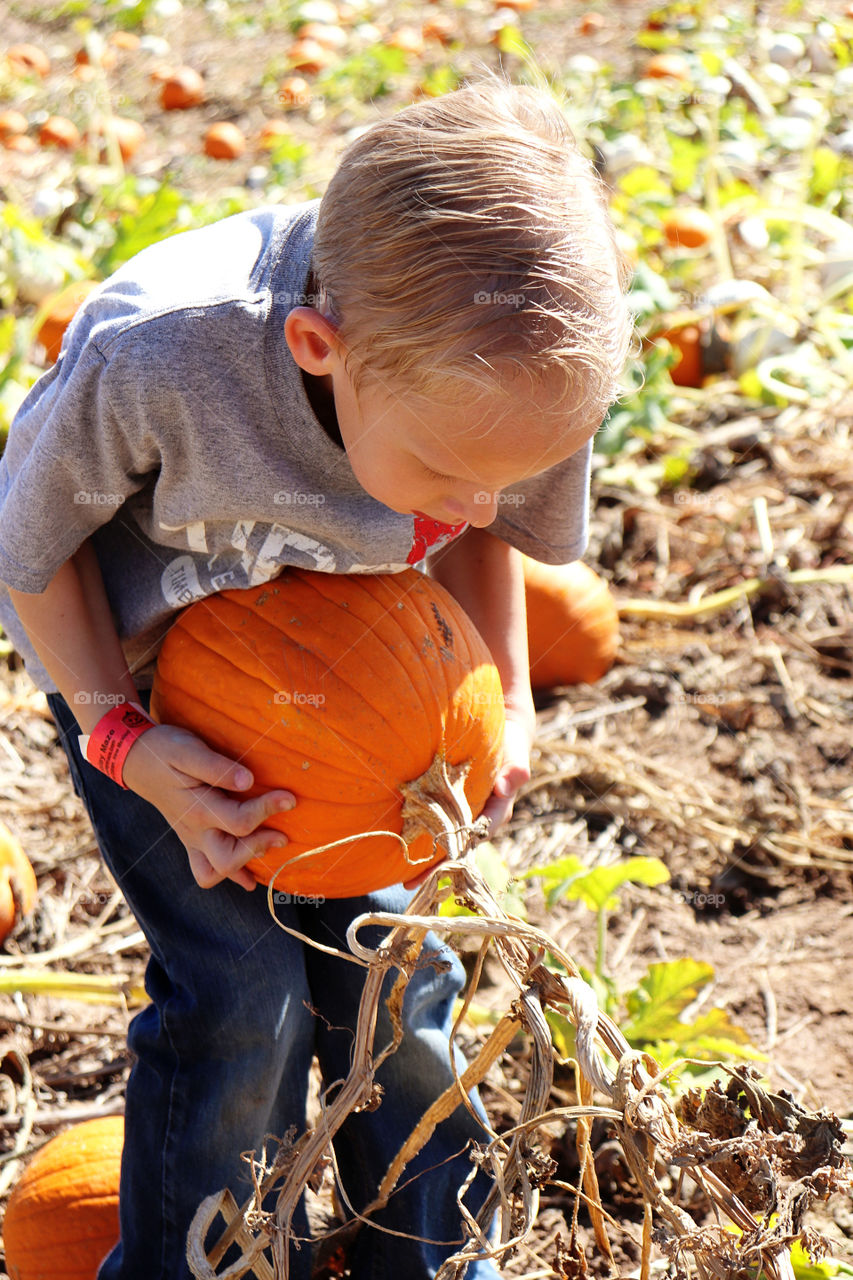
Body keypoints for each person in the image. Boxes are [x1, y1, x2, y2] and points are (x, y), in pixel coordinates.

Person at [0, 73, 631, 1280]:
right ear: (317, 349)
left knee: (397, 974)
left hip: (366, 689)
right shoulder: (163, 363)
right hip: (155, 696)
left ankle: (430, 1256)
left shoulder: (523, 375)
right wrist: (119, 735)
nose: (479, 503)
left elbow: (489, 532)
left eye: (514, 471)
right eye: (451, 471)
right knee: (243, 991)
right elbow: (28, 546)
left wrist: (503, 688)